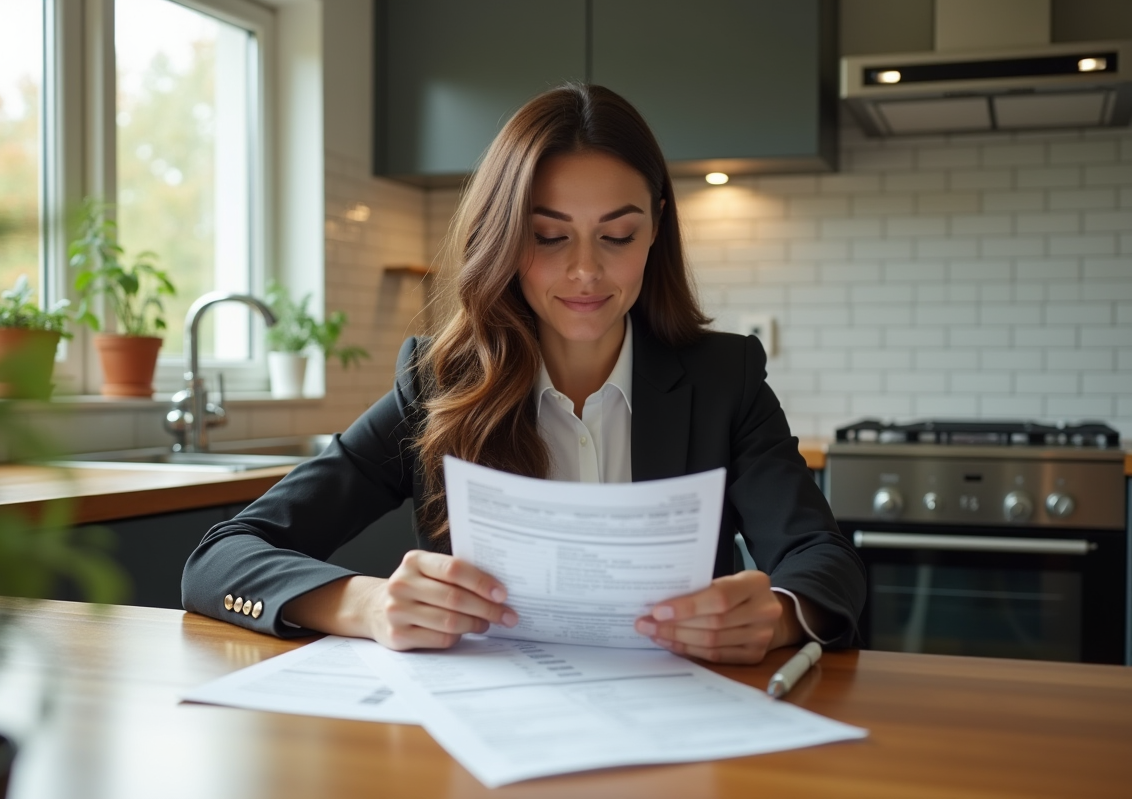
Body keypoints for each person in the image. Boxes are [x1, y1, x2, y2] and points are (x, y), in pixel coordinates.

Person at [182, 83, 865, 664]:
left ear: (656, 228)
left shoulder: (726, 378)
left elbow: (824, 561)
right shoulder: (435, 385)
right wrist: (365, 603)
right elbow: (221, 558)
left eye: (618, 235)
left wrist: (777, 615)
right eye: (548, 235)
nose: (586, 271)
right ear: (506, 236)